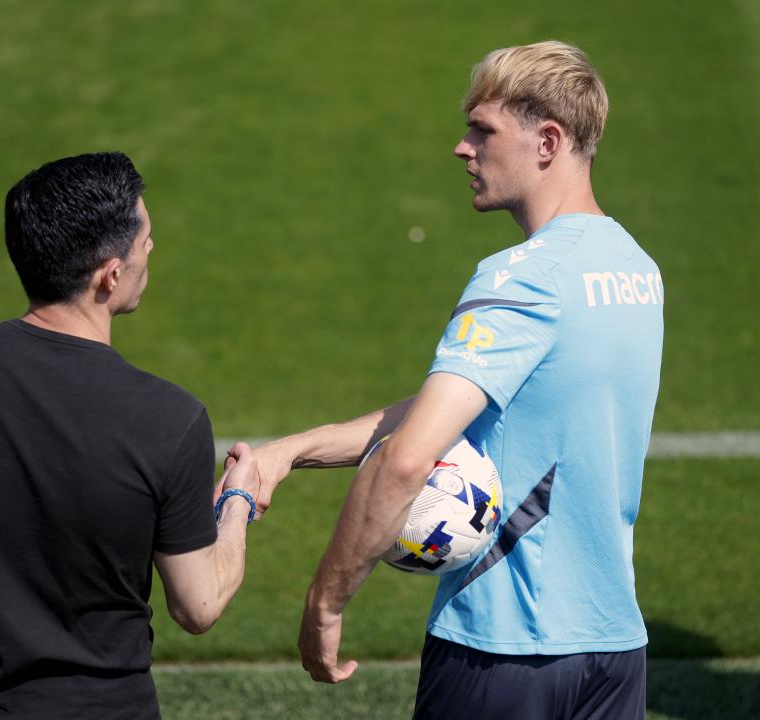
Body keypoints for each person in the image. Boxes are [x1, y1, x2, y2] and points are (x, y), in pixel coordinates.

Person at [247, 41, 663, 719]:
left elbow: (408, 457)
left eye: (484, 130)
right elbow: (495, 400)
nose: (462, 148)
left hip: (501, 654)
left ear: (548, 141)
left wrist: (325, 603)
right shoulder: (636, 270)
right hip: (615, 653)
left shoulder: (521, 276)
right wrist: (295, 449)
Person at [0, 152, 259, 719]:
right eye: (145, 241)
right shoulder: (169, 418)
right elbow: (199, 605)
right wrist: (237, 501)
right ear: (109, 275)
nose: (151, 250)